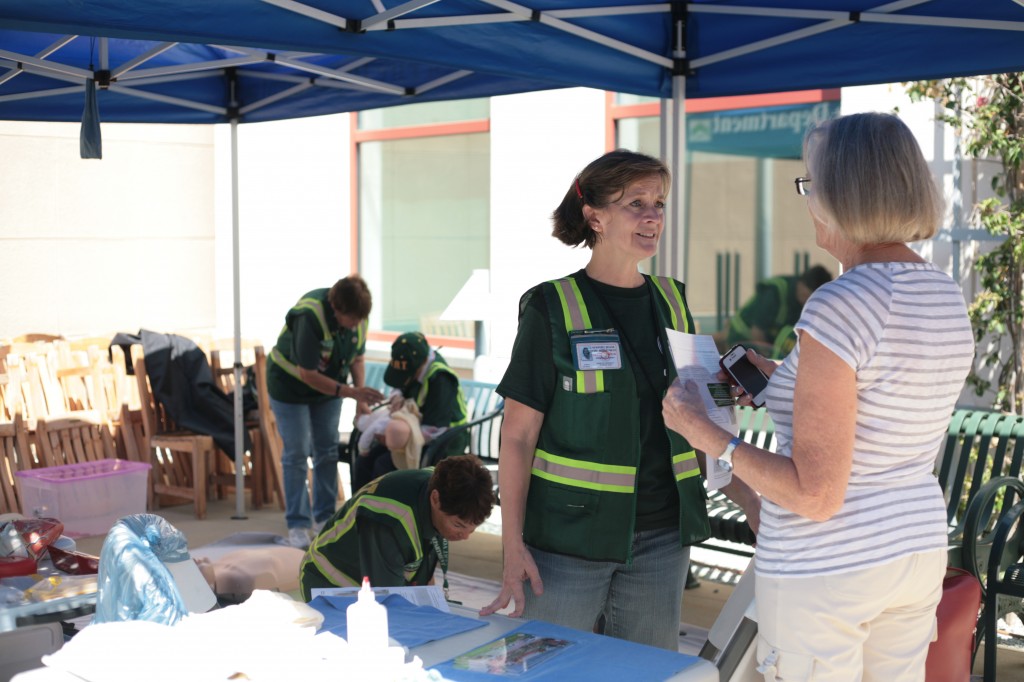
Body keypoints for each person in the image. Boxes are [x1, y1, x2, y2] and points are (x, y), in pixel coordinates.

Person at [662, 112, 975, 681]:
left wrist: (706, 434)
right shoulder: (943, 294)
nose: (807, 199)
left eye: (810, 182)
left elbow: (816, 495)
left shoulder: (842, 302)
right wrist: (786, 376)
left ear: (842, 193)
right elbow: (879, 395)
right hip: (913, 549)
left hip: (829, 565)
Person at [479, 149, 760, 650]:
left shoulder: (673, 300)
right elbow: (518, 437)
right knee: (549, 669)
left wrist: (751, 501)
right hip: (566, 545)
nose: (653, 216)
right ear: (595, 216)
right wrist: (511, 546)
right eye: (636, 203)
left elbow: (697, 421)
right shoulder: (551, 306)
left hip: (661, 541)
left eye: (660, 203)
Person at [267, 275, 385, 549]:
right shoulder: (310, 316)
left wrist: (360, 399)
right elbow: (307, 373)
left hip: (330, 389)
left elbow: (357, 357)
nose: (356, 325)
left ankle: (325, 518)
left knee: (327, 450)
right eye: (351, 319)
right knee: (297, 453)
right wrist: (351, 392)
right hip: (290, 388)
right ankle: (297, 524)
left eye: (359, 319)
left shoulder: (359, 316)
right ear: (335, 307)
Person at [298, 454, 495, 601]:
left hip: (372, 583)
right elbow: (387, 598)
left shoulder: (441, 483)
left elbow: (423, 564)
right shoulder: (389, 520)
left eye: (473, 528)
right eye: (459, 525)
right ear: (435, 499)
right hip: (331, 586)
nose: (465, 537)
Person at [351, 331, 469, 492]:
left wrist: (392, 438)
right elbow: (399, 385)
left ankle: (384, 514)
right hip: (411, 433)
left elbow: (435, 429)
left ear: (420, 365)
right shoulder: (414, 366)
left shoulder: (440, 379)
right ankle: (360, 511)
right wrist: (397, 396)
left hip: (443, 442)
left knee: (384, 465)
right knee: (364, 461)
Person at [712, 265, 833, 358]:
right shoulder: (776, 292)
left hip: (766, 347)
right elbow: (757, 333)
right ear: (801, 284)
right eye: (806, 295)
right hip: (742, 341)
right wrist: (770, 360)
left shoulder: (804, 303)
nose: (806, 300)